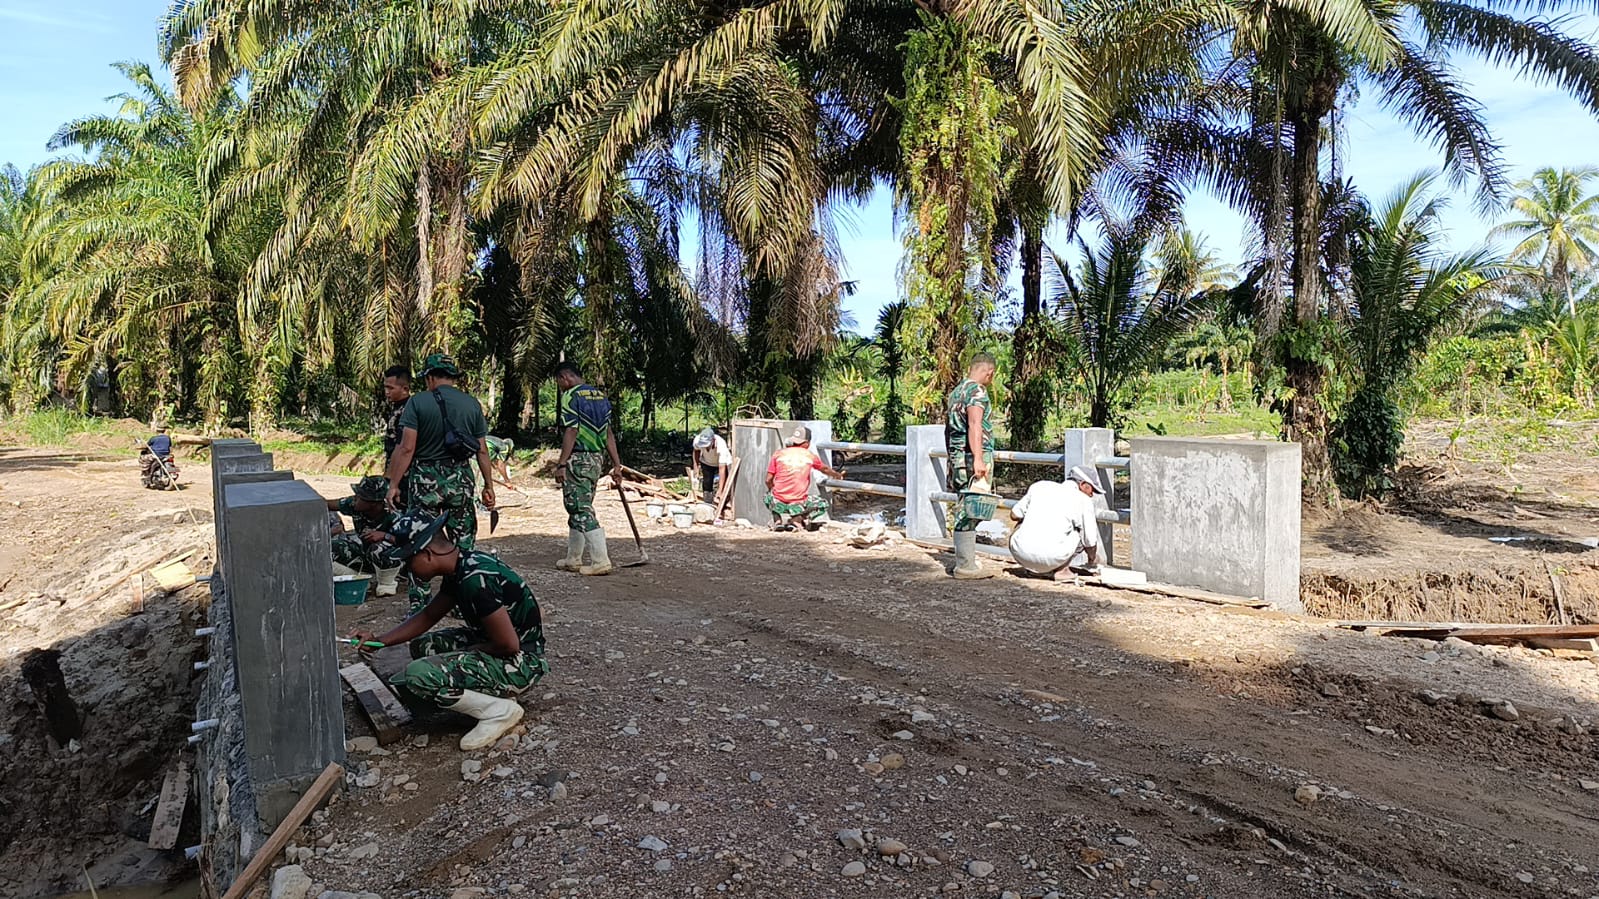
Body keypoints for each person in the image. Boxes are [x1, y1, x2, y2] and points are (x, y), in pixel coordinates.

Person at [352, 513, 548, 752]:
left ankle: (499, 711)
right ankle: (488, 694)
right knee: (424, 647)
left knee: (419, 675)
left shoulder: (476, 580)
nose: (408, 569)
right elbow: (428, 616)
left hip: (521, 663)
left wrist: (469, 653)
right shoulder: (462, 566)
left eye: (408, 560)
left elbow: (509, 645)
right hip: (503, 647)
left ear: (427, 554)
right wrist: (379, 641)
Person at [383, 353, 495, 551]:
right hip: (460, 479)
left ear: (430, 377)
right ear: (452, 377)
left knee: (421, 538)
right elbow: (482, 451)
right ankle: (461, 577)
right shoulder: (472, 404)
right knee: (463, 540)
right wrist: (488, 485)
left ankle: (421, 581)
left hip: (426, 480)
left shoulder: (417, 402)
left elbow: (406, 448)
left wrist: (393, 484)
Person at [553, 363, 625, 574]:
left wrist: (562, 463)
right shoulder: (600, 396)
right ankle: (573, 558)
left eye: (559, 382)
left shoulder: (571, 396)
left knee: (580, 508)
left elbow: (572, 430)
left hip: (579, 458)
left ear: (565, 377)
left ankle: (600, 560)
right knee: (580, 506)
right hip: (596, 458)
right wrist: (616, 464)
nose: (560, 386)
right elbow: (608, 433)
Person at [945, 353, 999, 579]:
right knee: (973, 506)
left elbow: (949, 429)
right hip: (973, 455)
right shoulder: (977, 392)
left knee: (965, 503)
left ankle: (965, 560)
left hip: (957, 456)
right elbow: (975, 425)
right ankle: (966, 565)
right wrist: (978, 458)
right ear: (989, 372)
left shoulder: (956, 392)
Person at [1009, 466, 1105, 579]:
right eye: (1091, 490)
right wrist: (1092, 559)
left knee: (1022, 522)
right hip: (1054, 556)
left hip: (1021, 554)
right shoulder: (1083, 500)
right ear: (1083, 484)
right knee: (1082, 531)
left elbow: (1014, 515)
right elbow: (1090, 540)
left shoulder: (1040, 486)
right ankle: (1062, 570)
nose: (1091, 494)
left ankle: (1034, 569)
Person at [325, 475, 405, 595]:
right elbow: (327, 504)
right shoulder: (354, 505)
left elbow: (409, 542)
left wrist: (384, 536)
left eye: (360, 496)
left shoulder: (394, 515)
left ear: (373, 503)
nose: (355, 498)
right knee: (333, 547)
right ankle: (358, 580)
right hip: (365, 554)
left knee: (378, 547)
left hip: (392, 560)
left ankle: (387, 585)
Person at [764, 426, 844, 531]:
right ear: (806, 443)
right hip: (798, 503)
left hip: (778, 501)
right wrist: (837, 475)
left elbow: (768, 480)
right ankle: (798, 519)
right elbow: (824, 469)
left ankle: (777, 519)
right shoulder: (809, 456)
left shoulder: (778, 454)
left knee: (767, 496)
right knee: (823, 504)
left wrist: (772, 490)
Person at [381, 365, 412, 507]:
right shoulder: (396, 407)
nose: (387, 392)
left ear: (405, 388)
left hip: (404, 475)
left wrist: (392, 479)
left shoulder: (409, 410)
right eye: (385, 387)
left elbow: (403, 448)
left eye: (391, 388)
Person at [692, 427, 731, 503]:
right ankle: (707, 501)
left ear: (713, 440)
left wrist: (720, 490)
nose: (705, 447)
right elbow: (696, 451)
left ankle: (723, 501)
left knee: (725, 484)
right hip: (707, 461)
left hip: (722, 463)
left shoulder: (721, 444)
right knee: (707, 482)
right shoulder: (697, 440)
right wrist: (696, 466)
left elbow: (722, 468)